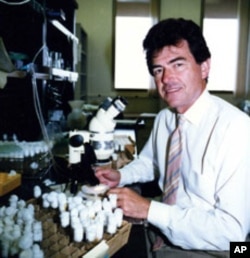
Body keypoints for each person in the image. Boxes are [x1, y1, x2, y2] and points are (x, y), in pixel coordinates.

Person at [95, 18, 250, 257]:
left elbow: (233, 234)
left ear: (205, 67)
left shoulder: (237, 128)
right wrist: (121, 175)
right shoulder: (165, 119)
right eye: (159, 70)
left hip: (213, 247)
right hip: (160, 231)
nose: (166, 79)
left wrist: (149, 209)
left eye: (178, 65)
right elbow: (152, 163)